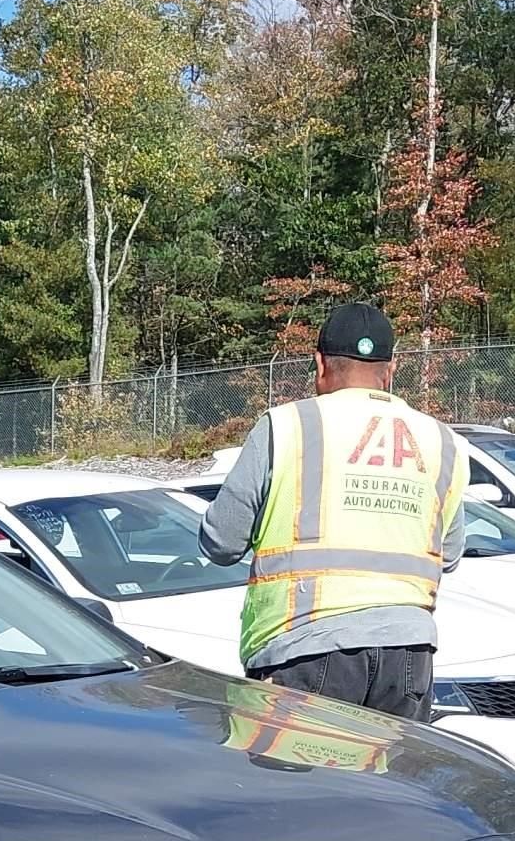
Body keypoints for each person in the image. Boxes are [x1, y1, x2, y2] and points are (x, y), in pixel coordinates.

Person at [199, 301, 466, 721]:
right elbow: (447, 554)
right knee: (389, 785)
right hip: (408, 654)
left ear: (320, 363)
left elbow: (221, 541)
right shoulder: (441, 440)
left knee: (298, 785)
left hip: (304, 648)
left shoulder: (288, 425)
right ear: (391, 368)